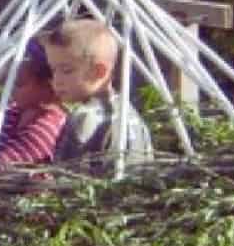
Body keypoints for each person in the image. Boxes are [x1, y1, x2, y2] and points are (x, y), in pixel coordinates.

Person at [41, 18, 154, 166]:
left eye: (67, 70)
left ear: (99, 72)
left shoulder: (84, 117)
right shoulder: (130, 113)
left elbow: (62, 173)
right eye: (53, 70)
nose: (57, 80)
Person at [0, 38, 67, 169]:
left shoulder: (44, 130)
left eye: (19, 83)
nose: (11, 88)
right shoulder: (16, 110)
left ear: (49, 88)